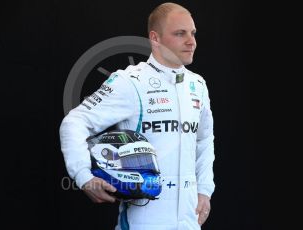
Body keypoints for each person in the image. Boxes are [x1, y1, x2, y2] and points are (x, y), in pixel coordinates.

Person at [59, 2, 215, 230]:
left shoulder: (197, 85)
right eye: (180, 34)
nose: (191, 41)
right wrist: (83, 176)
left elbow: (204, 139)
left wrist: (204, 190)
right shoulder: (130, 81)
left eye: (192, 33)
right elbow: (74, 122)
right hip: (143, 220)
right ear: (155, 38)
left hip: (189, 221)